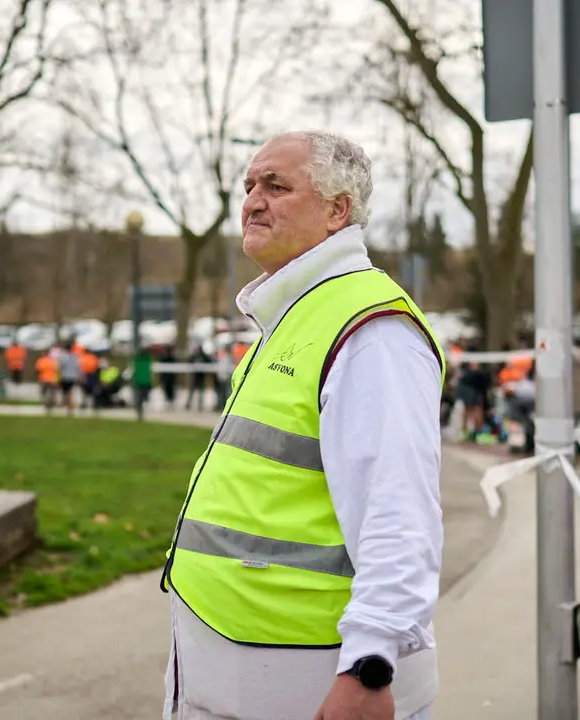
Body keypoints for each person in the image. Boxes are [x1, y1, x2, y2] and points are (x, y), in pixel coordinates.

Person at [160, 131, 444, 720]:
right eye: (249, 186)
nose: (252, 200)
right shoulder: (290, 314)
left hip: (310, 672)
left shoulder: (370, 330)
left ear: (338, 210)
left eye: (276, 185)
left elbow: (399, 510)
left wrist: (370, 666)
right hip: (240, 659)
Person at [58, 342, 81, 415]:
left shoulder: (63, 356)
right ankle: (69, 405)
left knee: (66, 391)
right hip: (73, 377)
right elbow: (78, 367)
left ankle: (68, 405)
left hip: (65, 376)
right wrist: (78, 376)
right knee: (70, 391)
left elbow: (60, 366)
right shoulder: (75, 356)